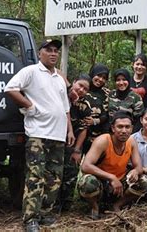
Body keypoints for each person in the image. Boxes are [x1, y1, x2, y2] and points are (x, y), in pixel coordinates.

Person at [5, 38, 75, 232]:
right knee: (35, 175)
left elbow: (65, 107)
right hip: (38, 133)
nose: (53, 54)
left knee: (54, 177)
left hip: (58, 134)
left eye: (56, 51)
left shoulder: (59, 78)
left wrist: (69, 129)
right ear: (40, 53)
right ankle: (30, 219)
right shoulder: (31, 72)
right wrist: (30, 106)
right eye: (49, 50)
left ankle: (45, 213)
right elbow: (10, 88)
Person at [78, 111, 147, 219]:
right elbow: (85, 166)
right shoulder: (103, 140)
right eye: (120, 127)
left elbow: (139, 167)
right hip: (101, 184)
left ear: (131, 129)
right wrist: (111, 177)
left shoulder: (131, 142)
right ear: (113, 128)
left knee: (144, 181)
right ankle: (94, 207)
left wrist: (135, 171)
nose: (124, 131)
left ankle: (117, 205)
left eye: (127, 127)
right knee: (87, 182)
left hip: (120, 184)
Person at [60, 74, 92, 211]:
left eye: (85, 89)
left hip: (72, 144)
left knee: (70, 174)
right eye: (80, 85)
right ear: (73, 82)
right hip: (54, 140)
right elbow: (57, 72)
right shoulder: (60, 95)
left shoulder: (84, 105)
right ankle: (51, 205)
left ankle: (66, 206)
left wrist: (77, 150)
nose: (81, 90)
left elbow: (84, 129)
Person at [83, 63, 110, 153]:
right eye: (98, 76)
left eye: (104, 78)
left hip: (96, 137)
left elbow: (106, 114)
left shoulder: (106, 94)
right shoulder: (82, 88)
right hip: (78, 134)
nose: (100, 80)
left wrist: (95, 121)